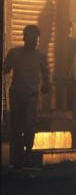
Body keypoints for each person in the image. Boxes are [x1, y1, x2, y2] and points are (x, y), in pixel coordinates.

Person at [3, 25, 51, 168]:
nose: (34, 40)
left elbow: (47, 74)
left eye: (35, 38)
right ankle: (18, 157)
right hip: (17, 95)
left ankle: (27, 154)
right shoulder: (14, 53)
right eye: (31, 37)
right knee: (17, 127)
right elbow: (5, 68)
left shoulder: (40, 56)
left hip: (32, 96)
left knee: (30, 126)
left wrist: (47, 83)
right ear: (24, 37)